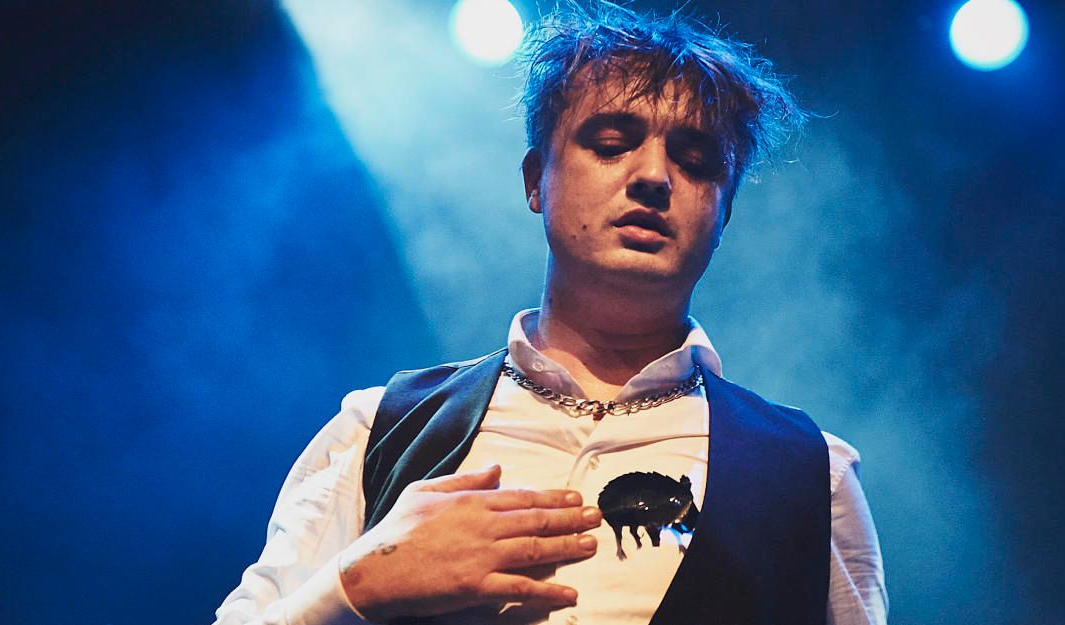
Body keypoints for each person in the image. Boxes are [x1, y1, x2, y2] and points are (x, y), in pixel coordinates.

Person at [215, 3, 887, 624]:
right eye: (612, 142)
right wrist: (356, 586)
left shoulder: (812, 474)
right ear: (537, 180)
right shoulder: (379, 429)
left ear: (724, 211)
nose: (654, 177)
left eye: (695, 160)